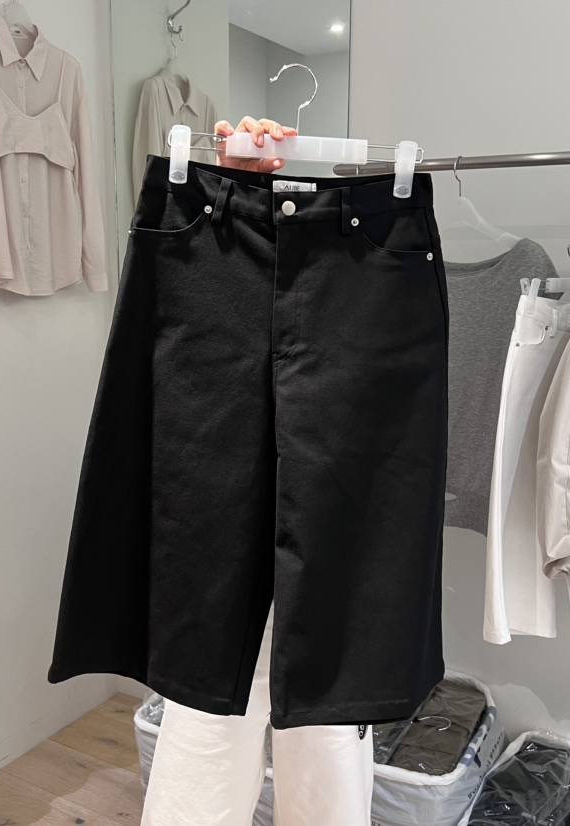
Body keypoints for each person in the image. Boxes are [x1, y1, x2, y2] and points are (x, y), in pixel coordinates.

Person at [140, 117, 375, 826]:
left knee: (330, 663)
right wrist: (234, 185)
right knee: (208, 653)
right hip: (220, 250)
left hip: (365, 266)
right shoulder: (208, 218)